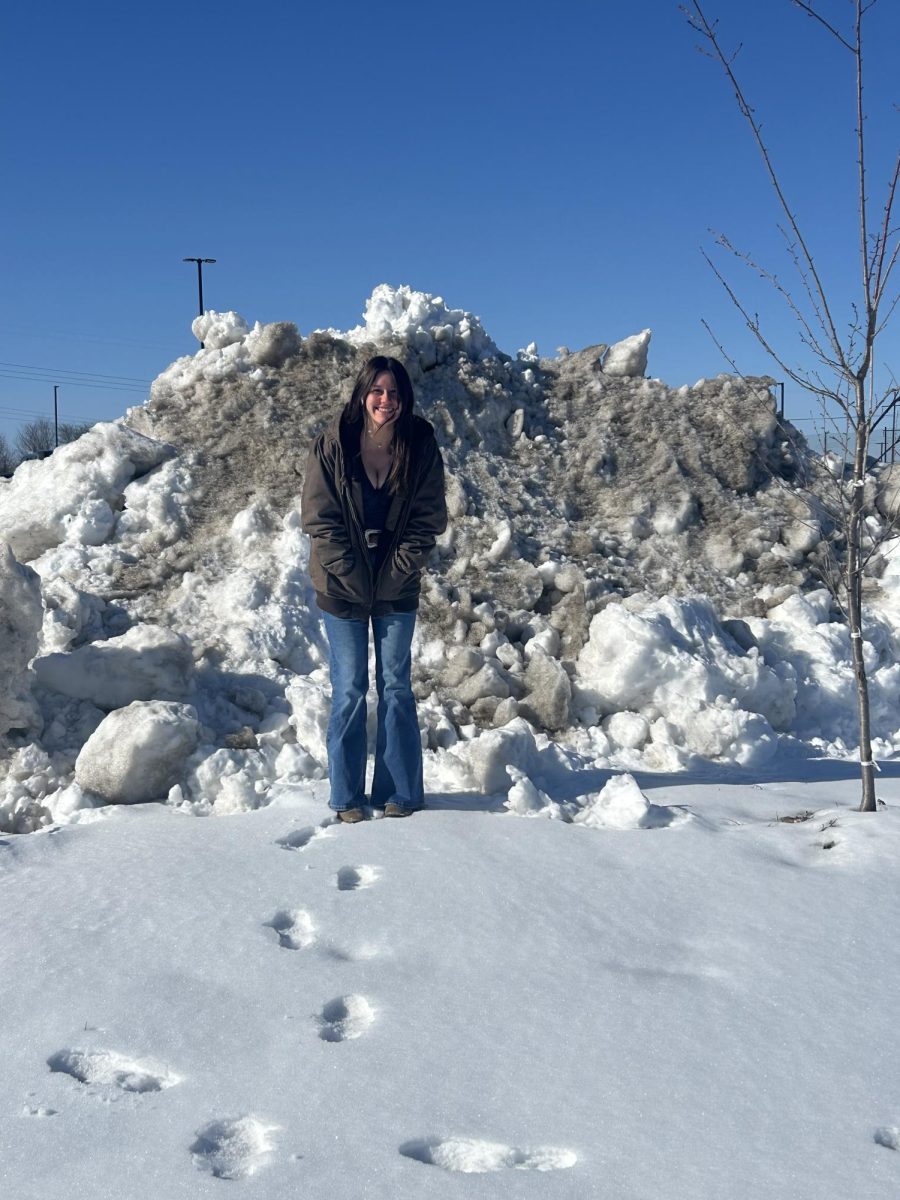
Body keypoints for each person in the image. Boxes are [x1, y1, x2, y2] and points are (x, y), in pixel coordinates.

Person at [301, 355, 447, 823]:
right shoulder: (331, 446)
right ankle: (346, 796)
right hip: (340, 586)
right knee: (349, 689)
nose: (387, 401)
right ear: (363, 393)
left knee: (396, 687)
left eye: (395, 392)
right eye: (378, 391)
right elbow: (320, 522)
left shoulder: (421, 446)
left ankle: (400, 791)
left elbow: (427, 521)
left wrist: (394, 573)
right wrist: (354, 576)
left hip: (397, 585)